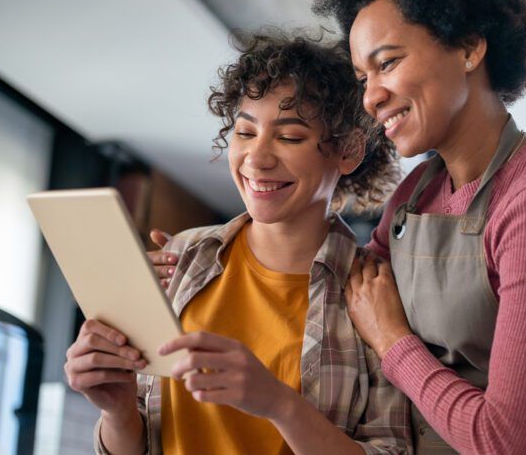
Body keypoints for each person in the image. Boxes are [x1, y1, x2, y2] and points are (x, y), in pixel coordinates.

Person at [319, 0, 526, 453]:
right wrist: (202, 259)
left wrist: (394, 342)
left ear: (468, 47)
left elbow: (509, 444)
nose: (371, 97)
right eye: (361, 78)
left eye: (387, 63)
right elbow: (347, 291)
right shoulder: (416, 194)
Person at [65, 31, 411, 455]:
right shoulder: (181, 258)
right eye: (246, 132)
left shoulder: (375, 294)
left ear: (349, 151)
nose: (257, 158)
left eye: (289, 137)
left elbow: (392, 450)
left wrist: (279, 404)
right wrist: (116, 412)